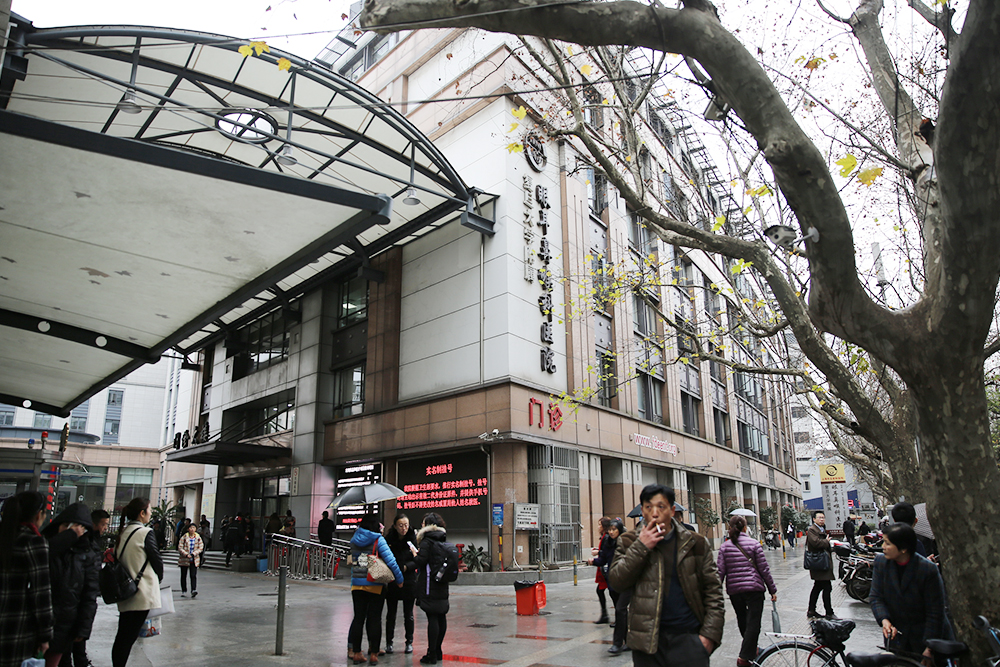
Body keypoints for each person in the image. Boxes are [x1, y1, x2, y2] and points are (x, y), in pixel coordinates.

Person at [608, 484, 724, 667]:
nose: (654, 513)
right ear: (642, 511)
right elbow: (617, 582)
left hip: (688, 639)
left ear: (672, 510)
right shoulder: (629, 541)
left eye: (661, 507)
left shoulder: (696, 543)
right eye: (648, 507)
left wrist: (709, 637)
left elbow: (714, 592)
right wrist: (641, 547)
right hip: (647, 645)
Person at [870, 523, 947, 665]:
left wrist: (929, 647)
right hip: (896, 637)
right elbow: (876, 597)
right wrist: (885, 620)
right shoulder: (881, 562)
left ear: (904, 548)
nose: (883, 547)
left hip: (922, 637)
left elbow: (935, 612)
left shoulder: (927, 569)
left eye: (888, 543)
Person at [0, 491, 53, 667]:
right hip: (16, 627)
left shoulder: (6, 537)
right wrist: (45, 635)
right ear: (39, 515)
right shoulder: (33, 542)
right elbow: (41, 593)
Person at [41, 503, 97, 667]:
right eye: (65, 526)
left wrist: (83, 628)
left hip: (66, 625)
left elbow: (89, 595)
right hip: (41, 622)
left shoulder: (87, 555)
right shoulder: (47, 546)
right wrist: (68, 537)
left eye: (75, 528)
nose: (70, 531)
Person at [717, 515, 778, 667]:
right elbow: (764, 569)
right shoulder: (754, 544)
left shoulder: (725, 547)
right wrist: (772, 590)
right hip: (754, 589)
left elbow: (720, 572)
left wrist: (714, 593)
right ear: (745, 528)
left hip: (735, 590)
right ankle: (744, 657)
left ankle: (753, 650)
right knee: (753, 623)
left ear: (730, 528)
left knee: (743, 620)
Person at [112, 497, 163, 667]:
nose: (150, 514)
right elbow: (157, 560)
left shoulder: (123, 532)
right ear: (142, 513)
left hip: (125, 590)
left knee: (123, 635)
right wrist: (158, 579)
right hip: (140, 592)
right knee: (127, 638)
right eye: (149, 510)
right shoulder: (145, 532)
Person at [349, 516, 403, 666]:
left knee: (358, 618)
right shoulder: (378, 540)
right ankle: (373, 654)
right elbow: (391, 561)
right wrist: (399, 579)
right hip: (375, 584)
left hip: (357, 585)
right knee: (374, 619)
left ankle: (357, 653)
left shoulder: (354, 539)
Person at [60, 509, 110, 667]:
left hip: (77, 604)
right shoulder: (79, 546)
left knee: (76, 641)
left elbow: (90, 590)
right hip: (68, 606)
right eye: (103, 524)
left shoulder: (89, 545)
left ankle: (80, 659)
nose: (105, 528)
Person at [411, 512, 451, 666]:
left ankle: (431, 654)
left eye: (423, 523)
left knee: (432, 617)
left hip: (429, 584)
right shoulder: (442, 538)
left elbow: (421, 561)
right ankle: (438, 650)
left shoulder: (427, 541)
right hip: (442, 583)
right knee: (441, 616)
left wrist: (414, 554)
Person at [591, 519, 629, 654]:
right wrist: (593, 561)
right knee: (621, 612)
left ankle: (617, 644)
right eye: (610, 530)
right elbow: (604, 559)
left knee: (620, 610)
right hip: (613, 580)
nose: (611, 532)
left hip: (625, 581)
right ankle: (628, 641)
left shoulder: (625, 542)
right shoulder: (607, 542)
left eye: (614, 529)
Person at [383, 513, 417, 655]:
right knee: (391, 614)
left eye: (406, 525)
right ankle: (389, 642)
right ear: (395, 526)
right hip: (392, 580)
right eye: (401, 525)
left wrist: (406, 567)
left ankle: (409, 642)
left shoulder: (413, 539)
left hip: (409, 580)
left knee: (408, 614)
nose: (404, 528)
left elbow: (417, 559)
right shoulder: (388, 540)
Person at [806, 511, 836, 620]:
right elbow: (816, 543)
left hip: (822, 563)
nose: (822, 519)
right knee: (826, 587)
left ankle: (811, 610)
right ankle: (829, 612)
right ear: (814, 519)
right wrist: (826, 541)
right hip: (819, 563)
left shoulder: (822, 529)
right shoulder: (812, 530)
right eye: (819, 517)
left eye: (823, 517)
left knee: (818, 587)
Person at [591, 517, 612, 624]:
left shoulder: (607, 537)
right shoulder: (604, 537)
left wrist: (598, 552)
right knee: (601, 590)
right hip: (604, 567)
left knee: (610, 592)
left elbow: (607, 552)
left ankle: (606, 615)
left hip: (606, 568)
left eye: (600, 525)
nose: (598, 527)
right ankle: (605, 615)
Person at [178, 521, 204, 598]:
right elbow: (180, 547)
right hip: (184, 559)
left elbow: (201, 547)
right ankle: (184, 590)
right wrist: (186, 554)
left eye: (194, 528)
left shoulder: (198, 537)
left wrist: (194, 554)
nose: (192, 529)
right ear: (188, 529)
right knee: (183, 575)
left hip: (194, 559)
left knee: (193, 575)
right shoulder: (184, 537)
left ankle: (193, 589)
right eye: (191, 527)